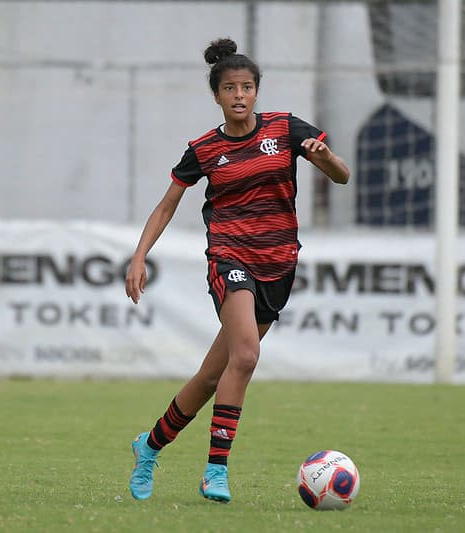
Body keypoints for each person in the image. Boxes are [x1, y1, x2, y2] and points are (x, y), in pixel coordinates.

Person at [124, 37, 350, 504]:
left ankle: (148, 446)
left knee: (213, 375)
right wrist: (139, 255)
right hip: (230, 258)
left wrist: (324, 157)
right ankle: (215, 471)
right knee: (245, 357)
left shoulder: (287, 129)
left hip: (279, 263)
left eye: (247, 87)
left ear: (257, 91)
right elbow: (167, 206)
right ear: (217, 96)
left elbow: (342, 175)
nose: (240, 95)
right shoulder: (204, 149)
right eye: (231, 88)